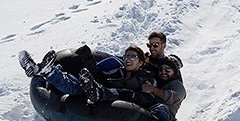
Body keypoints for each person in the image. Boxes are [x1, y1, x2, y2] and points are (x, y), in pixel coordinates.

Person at [79, 55, 185, 121]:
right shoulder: (156, 80)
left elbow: (173, 98)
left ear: (174, 72)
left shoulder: (177, 85)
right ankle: (99, 92)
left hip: (164, 114)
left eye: (167, 70)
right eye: (161, 69)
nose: (163, 72)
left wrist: (152, 89)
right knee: (127, 93)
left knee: (160, 107)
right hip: (145, 107)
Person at [18, 45, 154, 101]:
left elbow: (144, 97)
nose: (127, 60)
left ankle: (47, 72)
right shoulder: (115, 65)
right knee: (75, 81)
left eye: (132, 57)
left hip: (106, 98)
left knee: (77, 88)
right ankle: (40, 71)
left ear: (140, 62)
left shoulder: (144, 78)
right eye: (126, 56)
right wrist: (88, 59)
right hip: (92, 86)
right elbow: (94, 72)